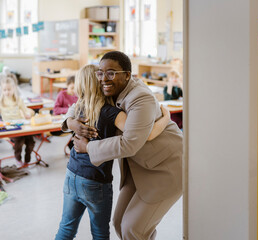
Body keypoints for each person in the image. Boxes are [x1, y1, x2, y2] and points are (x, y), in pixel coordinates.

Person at [63, 51, 183, 240]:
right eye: (100, 73)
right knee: (120, 224)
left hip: (165, 170)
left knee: (132, 230)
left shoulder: (140, 97)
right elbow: (84, 98)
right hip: (139, 169)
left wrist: (88, 148)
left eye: (111, 73)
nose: (104, 79)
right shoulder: (109, 88)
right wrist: (71, 121)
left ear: (127, 75)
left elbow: (131, 142)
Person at [0, 76, 35, 166]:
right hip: (10, 128)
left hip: (22, 126)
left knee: (31, 142)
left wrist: (27, 114)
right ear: (2, 91)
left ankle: (27, 158)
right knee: (19, 142)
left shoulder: (18, 100)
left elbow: (25, 111)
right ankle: (18, 158)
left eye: (9, 89)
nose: (7, 92)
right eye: (4, 90)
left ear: (14, 89)